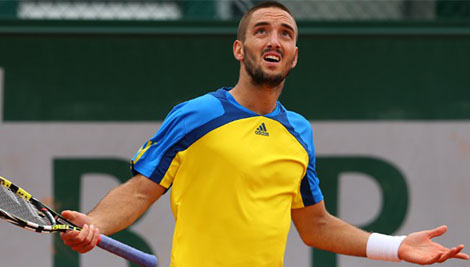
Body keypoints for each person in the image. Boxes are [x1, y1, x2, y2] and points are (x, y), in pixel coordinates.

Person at [60, 1, 469, 266]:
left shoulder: (299, 132)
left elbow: (316, 226)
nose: (274, 39)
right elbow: (138, 190)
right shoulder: (196, 115)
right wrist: (94, 222)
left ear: (293, 57)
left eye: (285, 34)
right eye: (261, 31)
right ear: (240, 49)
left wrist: (396, 246)